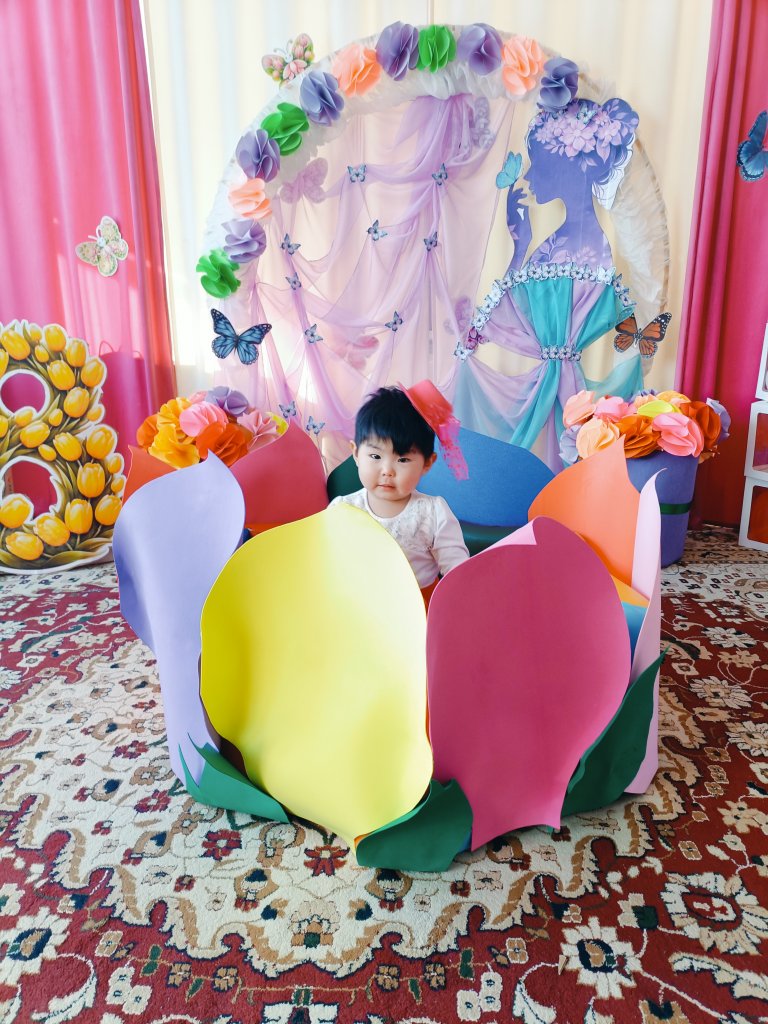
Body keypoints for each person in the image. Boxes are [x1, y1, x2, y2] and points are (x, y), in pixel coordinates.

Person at [329, 385, 469, 589]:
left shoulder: (433, 512)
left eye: (402, 459)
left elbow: (458, 572)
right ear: (356, 453)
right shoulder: (342, 510)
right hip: (358, 603)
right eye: (375, 456)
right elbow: (327, 561)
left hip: (419, 605)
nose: (387, 470)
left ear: (427, 463)